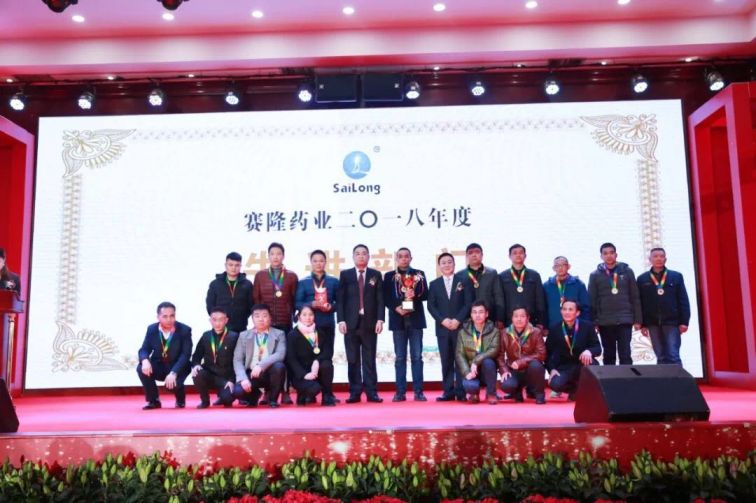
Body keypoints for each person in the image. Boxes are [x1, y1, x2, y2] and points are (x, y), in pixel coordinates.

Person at [337, 244, 385, 403]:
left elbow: (380, 299)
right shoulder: (345, 275)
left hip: (370, 322)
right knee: (353, 359)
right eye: (357, 254)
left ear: (369, 256)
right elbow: (341, 300)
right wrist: (341, 320)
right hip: (350, 323)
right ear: (353, 257)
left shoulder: (375, 275)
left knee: (369, 359)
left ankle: (372, 392)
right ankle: (355, 392)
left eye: (364, 253)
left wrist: (380, 319)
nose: (361, 256)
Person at [253, 242, 298, 404]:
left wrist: (293, 317)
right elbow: (256, 300)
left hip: (285, 322)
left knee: (285, 358)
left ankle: (285, 392)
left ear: (283, 256)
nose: (275, 257)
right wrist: (259, 321)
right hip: (266, 325)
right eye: (272, 254)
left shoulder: (291, 276)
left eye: (279, 254)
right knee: (266, 357)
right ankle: (267, 392)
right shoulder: (260, 275)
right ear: (268, 256)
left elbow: (294, 300)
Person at [383, 247, 429, 402]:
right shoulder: (389, 276)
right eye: (400, 256)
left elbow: (426, 294)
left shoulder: (419, 274)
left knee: (417, 357)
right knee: (400, 357)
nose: (403, 259)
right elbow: (385, 297)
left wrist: (415, 294)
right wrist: (397, 307)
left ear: (411, 258)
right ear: (396, 258)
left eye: (406, 256)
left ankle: (418, 392)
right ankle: (400, 392)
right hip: (398, 319)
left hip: (415, 319)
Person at [295, 249, 339, 403]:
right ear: (311, 262)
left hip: (327, 325)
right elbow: (297, 303)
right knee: (308, 359)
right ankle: (309, 391)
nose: (318, 263)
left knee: (326, 359)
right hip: (308, 328)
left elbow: (340, 303)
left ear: (325, 262)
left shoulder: (334, 281)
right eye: (315, 261)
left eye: (321, 260)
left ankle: (328, 393)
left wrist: (331, 307)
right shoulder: (303, 282)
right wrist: (311, 304)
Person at [427, 252, 473, 402]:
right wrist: (443, 320)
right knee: (446, 361)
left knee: (460, 360)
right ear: (439, 266)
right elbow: (431, 306)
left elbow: (468, 303)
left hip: (460, 328)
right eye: (443, 263)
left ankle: (461, 391)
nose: (447, 265)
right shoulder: (434, 284)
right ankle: (448, 391)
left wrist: (458, 320)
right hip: (443, 329)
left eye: (449, 262)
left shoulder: (464, 281)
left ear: (454, 264)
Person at [588, 242, 642, 365]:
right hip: (605, 321)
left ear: (616, 254)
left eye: (611, 253)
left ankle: (627, 377)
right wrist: (594, 322)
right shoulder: (594, 275)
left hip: (625, 319)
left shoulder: (627, 271)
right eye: (605, 253)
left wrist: (638, 320)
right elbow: (592, 300)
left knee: (625, 354)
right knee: (608, 355)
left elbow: (635, 297)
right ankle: (609, 378)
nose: (609, 256)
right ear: (601, 256)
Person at [637, 248, 691, 365]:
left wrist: (684, 322)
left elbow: (683, 300)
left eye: (661, 256)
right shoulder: (642, 279)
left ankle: (678, 377)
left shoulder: (676, 276)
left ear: (665, 259)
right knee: (660, 356)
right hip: (652, 323)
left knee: (673, 355)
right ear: (650, 259)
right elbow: (640, 303)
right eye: (655, 256)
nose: (658, 259)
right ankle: (664, 378)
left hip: (672, 322)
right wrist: (642, 324)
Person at [137, 301, 193, 409]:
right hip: (160, 365)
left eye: (172, 316)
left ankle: (180, 399)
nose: (169, 319)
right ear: (158, 317)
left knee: (172, 386)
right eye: (165, 316)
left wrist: (174, 372)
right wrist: (144, 360)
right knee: (141, 368)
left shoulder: (185, 330)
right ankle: (154, 401)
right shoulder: (152, 329)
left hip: (178, 366)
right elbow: (144, 349)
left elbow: (186, 355)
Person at [545, 299, 602, 400]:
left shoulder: (588, 326)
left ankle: (582, 390)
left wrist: (589, 351)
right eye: (564, 309)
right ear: (561, 311)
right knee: (555, 384)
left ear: (577, 313)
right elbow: (548, 352)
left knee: (592, 365)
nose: (567, 312)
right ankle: (574, 390)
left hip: (582, 364)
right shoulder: (554, 328)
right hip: (564, 366)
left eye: (570, 309)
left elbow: (597, 348)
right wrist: (551, 369)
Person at [232, 304, 287, 408]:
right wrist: (243, 378)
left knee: (279, 367)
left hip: (269, 373)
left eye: (265, 316)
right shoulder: (243, 335)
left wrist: (261, 365)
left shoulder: (279, 334)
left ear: (270, 317)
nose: (261, 319)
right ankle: (254, 395)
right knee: (237, 391)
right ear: (252, 318)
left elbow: (280, 354)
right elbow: (237, 359)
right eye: (257, 316)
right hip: (252, 373)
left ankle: (273, 399)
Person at [286, 305, 336, 406]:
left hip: (317, 371)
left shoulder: (321, 332)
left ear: (314, 316)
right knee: (314, 389)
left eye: (311, 315)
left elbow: (327, 352)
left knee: (327, 364)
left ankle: (327, 396)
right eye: (304, 315)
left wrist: (317, 361)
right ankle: (303, 394)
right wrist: (304, 374)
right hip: (301, 374)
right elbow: (291, 359)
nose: (308, 318)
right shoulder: (292, 335)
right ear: (299, 317)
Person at [191, 307, 239, 408]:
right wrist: (196, 365)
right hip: (210, 375)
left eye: (221, 319)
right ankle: (205, 400)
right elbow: (196, 355)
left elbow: (239, 361)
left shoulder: (234, 337)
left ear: (226, 320)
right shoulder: (206, 336)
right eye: (214, 319)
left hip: (226, 377)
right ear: (210, 320)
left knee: (227, 400)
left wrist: (232, 379)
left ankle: (222, 396)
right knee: (197, 373)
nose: (217, 323)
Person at [497, 306, 547, 404]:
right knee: (507, 385)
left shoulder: (536, 332)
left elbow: (542, 354)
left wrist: (521, 362)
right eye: (516, 316)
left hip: (530, 369)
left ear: (528, 318)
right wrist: (504, 370)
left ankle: (539, 394)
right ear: (512, 318)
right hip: (513, 369)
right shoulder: (505, 332)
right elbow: (500, 355)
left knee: (536, 365)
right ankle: (516, 391)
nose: (519, 319)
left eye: (522, 316)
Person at [455, 300, 500, 404]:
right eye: (474, 312)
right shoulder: (462, 332)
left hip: (486, 370)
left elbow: (494, 350)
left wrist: (476, 361)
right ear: (471, 315)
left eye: (481, 312)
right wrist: (466, 372)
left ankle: (491, 393)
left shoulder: (495, 331)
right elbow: (459, 354)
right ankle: (474, 393)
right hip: (471, 370)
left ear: (486, 314)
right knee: (470, 386)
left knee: (488, 362)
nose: (477, 315)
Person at [454, 243, 505, 327]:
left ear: (482, 255)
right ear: (466, 256)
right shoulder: (460, 275)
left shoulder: (492, 273)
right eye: (470, 253)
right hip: (467, 319)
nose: (474, 255)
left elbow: (498, 296)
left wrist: (500, 318)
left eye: (477, 252)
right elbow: (457, 300)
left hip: (489, 317)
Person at [205, 251, 254, 333]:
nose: (233, 268)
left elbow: (251, 306)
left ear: (240, 266)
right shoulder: (215, 284)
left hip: (240, 328)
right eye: (230, 265)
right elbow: (210, 305)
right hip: (220, 328)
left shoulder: (247, 284)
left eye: (237, 265)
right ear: (225, 265)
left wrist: (242, 317)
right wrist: (218, 319)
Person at [499, 244, 546, 328]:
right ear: (509, 256)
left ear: (525, 256)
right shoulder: (502, 276)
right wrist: (500, 320)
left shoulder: (534, 275)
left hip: (531, 321)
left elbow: (540, 299)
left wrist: (541, 321)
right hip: (509, 322)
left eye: (521, 253)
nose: (518, 255)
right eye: (515, 253)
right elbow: (500, 300)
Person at [543, 256, 591, 329]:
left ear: (568, 266)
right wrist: (544, 327)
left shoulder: (578, 284)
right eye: (557, 266)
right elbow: (543, 308)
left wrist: (585, 326)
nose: (560, 268)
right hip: (553, 326)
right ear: (553, 268)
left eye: (563, 265)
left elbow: (585, 307)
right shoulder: (547, 285)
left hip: (575, 327)